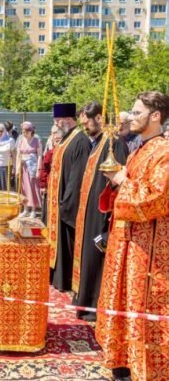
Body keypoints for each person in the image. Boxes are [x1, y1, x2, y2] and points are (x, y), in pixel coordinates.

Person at [96, 91, 169, 381]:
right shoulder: (140, 148)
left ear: (156, 116)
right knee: (124, 300)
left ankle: (146, 367)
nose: (131, 116)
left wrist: (123, 182)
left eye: (137, 112)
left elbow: (158, 198)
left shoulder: (164, 152)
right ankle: (123, 360)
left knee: (143, 304)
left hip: (148, 248)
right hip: (128, 241)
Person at [72, 102, 129, 322]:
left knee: (96, 260)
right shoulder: (98, 143)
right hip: (89, 212)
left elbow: (118, 181)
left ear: (99, 118)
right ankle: (84, 302)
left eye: (88, 122)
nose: (85, 126)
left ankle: (94, 307)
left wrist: (108, 220)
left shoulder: (114, 143)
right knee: (88, 259)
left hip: (102, 214)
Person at [46, 103, 91, 292]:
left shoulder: (80, 140)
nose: (57, 124)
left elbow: (77, 175)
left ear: (69, 119)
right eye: (55, 120)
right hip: (56, 201)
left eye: (59, 120)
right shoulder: (64, 140)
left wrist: (66, 202)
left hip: (66, 203)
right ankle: (56, 276)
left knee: (67, 242)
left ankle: (65, 279)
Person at [16, 121, 42, 218]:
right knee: (23, 189)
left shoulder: (36, 140)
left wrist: (38, 169)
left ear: (31, 131)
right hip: (23, 167)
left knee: (33, 188)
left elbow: (39, 155)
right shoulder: (21, 140)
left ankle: (33, 210)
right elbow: (18, 155)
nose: (25, 133)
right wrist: (17, 168)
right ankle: (25, 209)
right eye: (23, 131)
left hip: (32, 167)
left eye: (27, 131)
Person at [40, 126, 63, 224]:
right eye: (53, 133)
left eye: (57, 133)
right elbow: (44, 169)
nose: (55, 136)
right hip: (51, 186)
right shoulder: (50, 153)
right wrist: (43, 185)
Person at [0, 123, 16, 191]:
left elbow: (13, 155)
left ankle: (3, 202)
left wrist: (14, 167)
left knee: (5, 188)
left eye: (1, 131)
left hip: (6, 167)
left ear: (4, 131)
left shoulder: (10, 140)